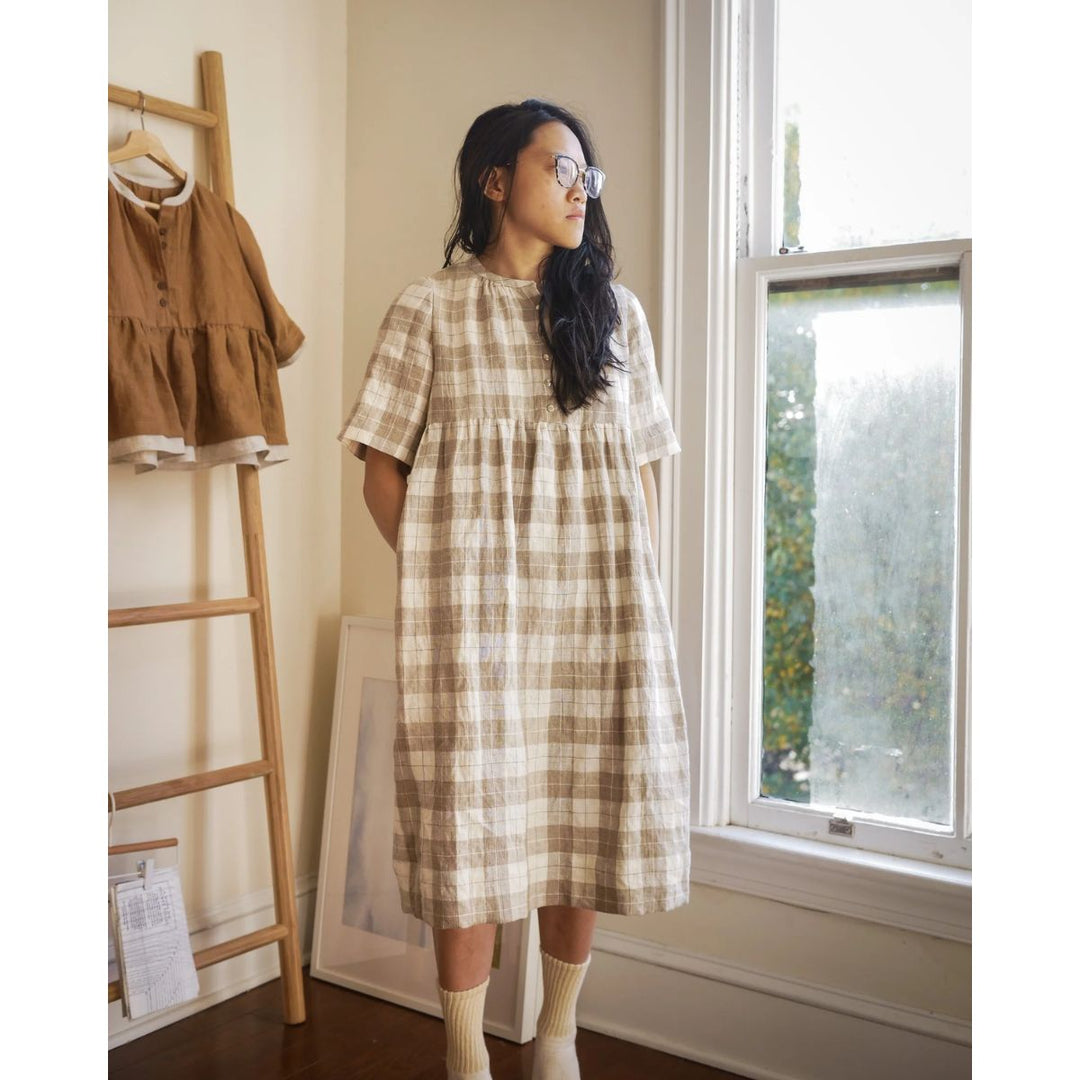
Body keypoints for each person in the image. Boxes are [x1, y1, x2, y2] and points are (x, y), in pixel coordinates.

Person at [338, 98, 690, 1080]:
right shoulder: (430, 309)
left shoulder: (617, 316)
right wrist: (449, 584)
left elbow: (645, 468)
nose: (582, 189)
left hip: (596, 619)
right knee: (471, 835)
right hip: (476, 631)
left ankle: (557, 1034)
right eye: (561, 168)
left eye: (590, 176)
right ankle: (465, 1058)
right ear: (496, 180)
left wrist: (638, 588)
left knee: (578, 818)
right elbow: (380, 468)